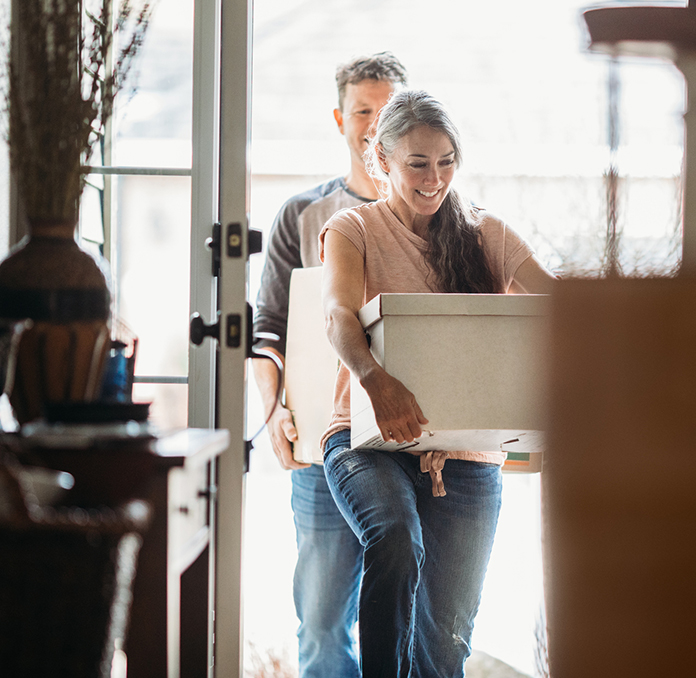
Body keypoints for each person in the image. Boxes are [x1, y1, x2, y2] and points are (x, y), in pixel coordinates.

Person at [318, 89, 555, 678]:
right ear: (383, 161)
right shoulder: (354, 229)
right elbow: (337, 316)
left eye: (446, 160)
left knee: (445, 643)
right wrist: (374, 380)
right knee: (395, 539)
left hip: (467, 457)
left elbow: (559, 305)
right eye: (417, 163)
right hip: (367, 441)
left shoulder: (486, 234)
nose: (434, 177)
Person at [251, 52, 407, 678]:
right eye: (362, 110)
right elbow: (266, 331)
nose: (373, 124)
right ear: (340, 119)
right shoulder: (301, 215)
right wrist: (273, 415)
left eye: (386, 110)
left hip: (407, 447)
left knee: (403, 621)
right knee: (320, 626)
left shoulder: (434, 216)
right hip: (321, 446)